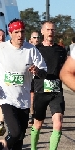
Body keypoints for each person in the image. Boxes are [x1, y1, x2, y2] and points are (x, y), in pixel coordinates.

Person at [0, 18, 47, 150]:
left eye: (22, 31)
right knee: (15, 132)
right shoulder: (1, 48)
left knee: (19, 139)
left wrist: (37, 70)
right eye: (16, 32)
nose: (20, 35)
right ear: (10, 33)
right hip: (6, 97)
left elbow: (44, 72)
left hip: (23, 99)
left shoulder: (31, 49)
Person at [31, 21, 67, 150]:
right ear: (42, 32)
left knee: (58, 124)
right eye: (48, 29)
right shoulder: (36, 50)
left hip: (56, 92)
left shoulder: (61, 50)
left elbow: (65, 69)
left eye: (52, 29)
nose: (50, 32)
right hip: (41, 91)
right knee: (38, 124)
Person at [28, 31, 40, 125]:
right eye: (34, 37)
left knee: (35, 98)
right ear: (30, 39)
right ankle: (31, 115)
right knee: (31, 97)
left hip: (38, 77)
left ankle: (33, 115)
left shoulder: (41, 49)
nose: (36, 39)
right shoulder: (26, 49)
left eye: (38, 37)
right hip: (28, 77)